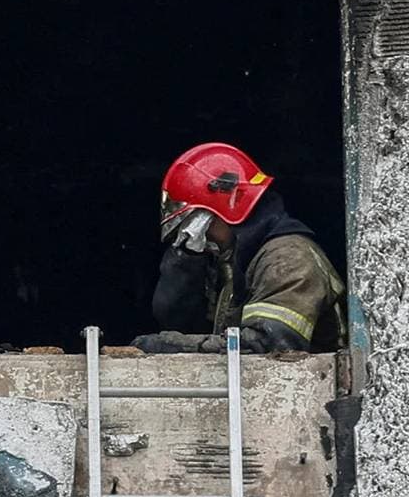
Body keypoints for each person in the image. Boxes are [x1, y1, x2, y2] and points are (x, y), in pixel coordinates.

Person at [134, 142, 345, 354]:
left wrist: (174, 346)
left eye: (196, 226)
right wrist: (186, 259)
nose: (200, 238)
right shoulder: (236, 264)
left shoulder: (288, 258)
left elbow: (267, 347)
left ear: (230, 209)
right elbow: (180, 319)